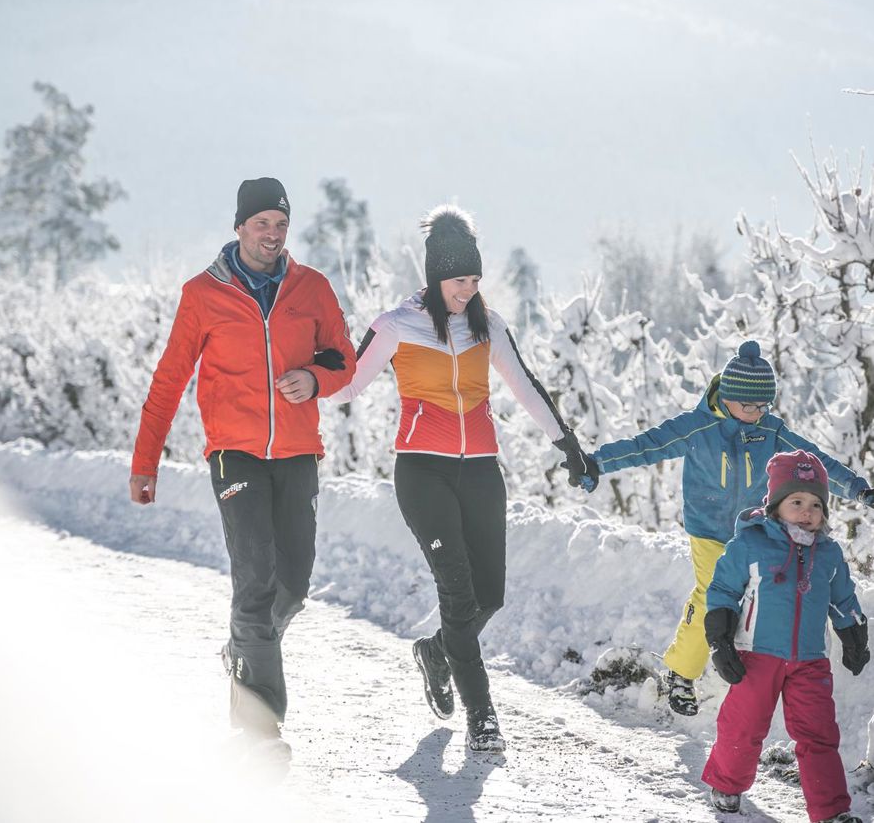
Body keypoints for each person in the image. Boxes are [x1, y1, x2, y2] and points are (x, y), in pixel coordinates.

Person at [328, 206, 597, 753]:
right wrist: (312, 372)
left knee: (489, 594)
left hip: (479, 470)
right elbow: (347, 386)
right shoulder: (396, 324)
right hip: (421, 470)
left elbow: (526, 387)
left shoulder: (488, 325)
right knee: (456, 590)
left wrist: (567, 444)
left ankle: (435, 651)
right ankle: (483, 717)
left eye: (475, 281)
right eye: (459, 281)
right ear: (435, 277)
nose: (468, 291)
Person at [129, 177, 356, 756]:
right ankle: (258, 724)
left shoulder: (312, 288)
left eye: (281, 225)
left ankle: (244, 653)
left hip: (299, 452)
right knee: (254, 578)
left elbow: (343, 358)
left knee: (294, 581)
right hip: (235, 453)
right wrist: (144, 461)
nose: (273, 235)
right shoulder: (202, 294)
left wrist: (316, 379)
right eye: (262, 225)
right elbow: (169, 379)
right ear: (239, 228)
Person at [588, 341, 873, 716]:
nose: (756, 413)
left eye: (763, 406)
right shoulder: (698, 426)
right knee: (711, 593)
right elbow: (647, 446)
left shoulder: (771, 430)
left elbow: (814, 462)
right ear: (728, 397)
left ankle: (756, 675)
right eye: (749, 405)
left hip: (754, 530)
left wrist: (856, 488)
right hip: (707, 529)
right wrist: (596, 463)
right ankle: (681, 672)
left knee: (757, 598)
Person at [702, 450, 869, 823]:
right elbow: (723, 590)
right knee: (743, 726)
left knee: (819, 735)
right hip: (757, 656)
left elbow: (843, 599)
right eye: (796, 501)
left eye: (815, 504)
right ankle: (726, 784)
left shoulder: (828, 554)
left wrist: (854, 633)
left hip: (810, 661)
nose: (807, 511)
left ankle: (831, 810)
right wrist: (720, 635)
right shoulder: (750, 544)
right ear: (776, 505)